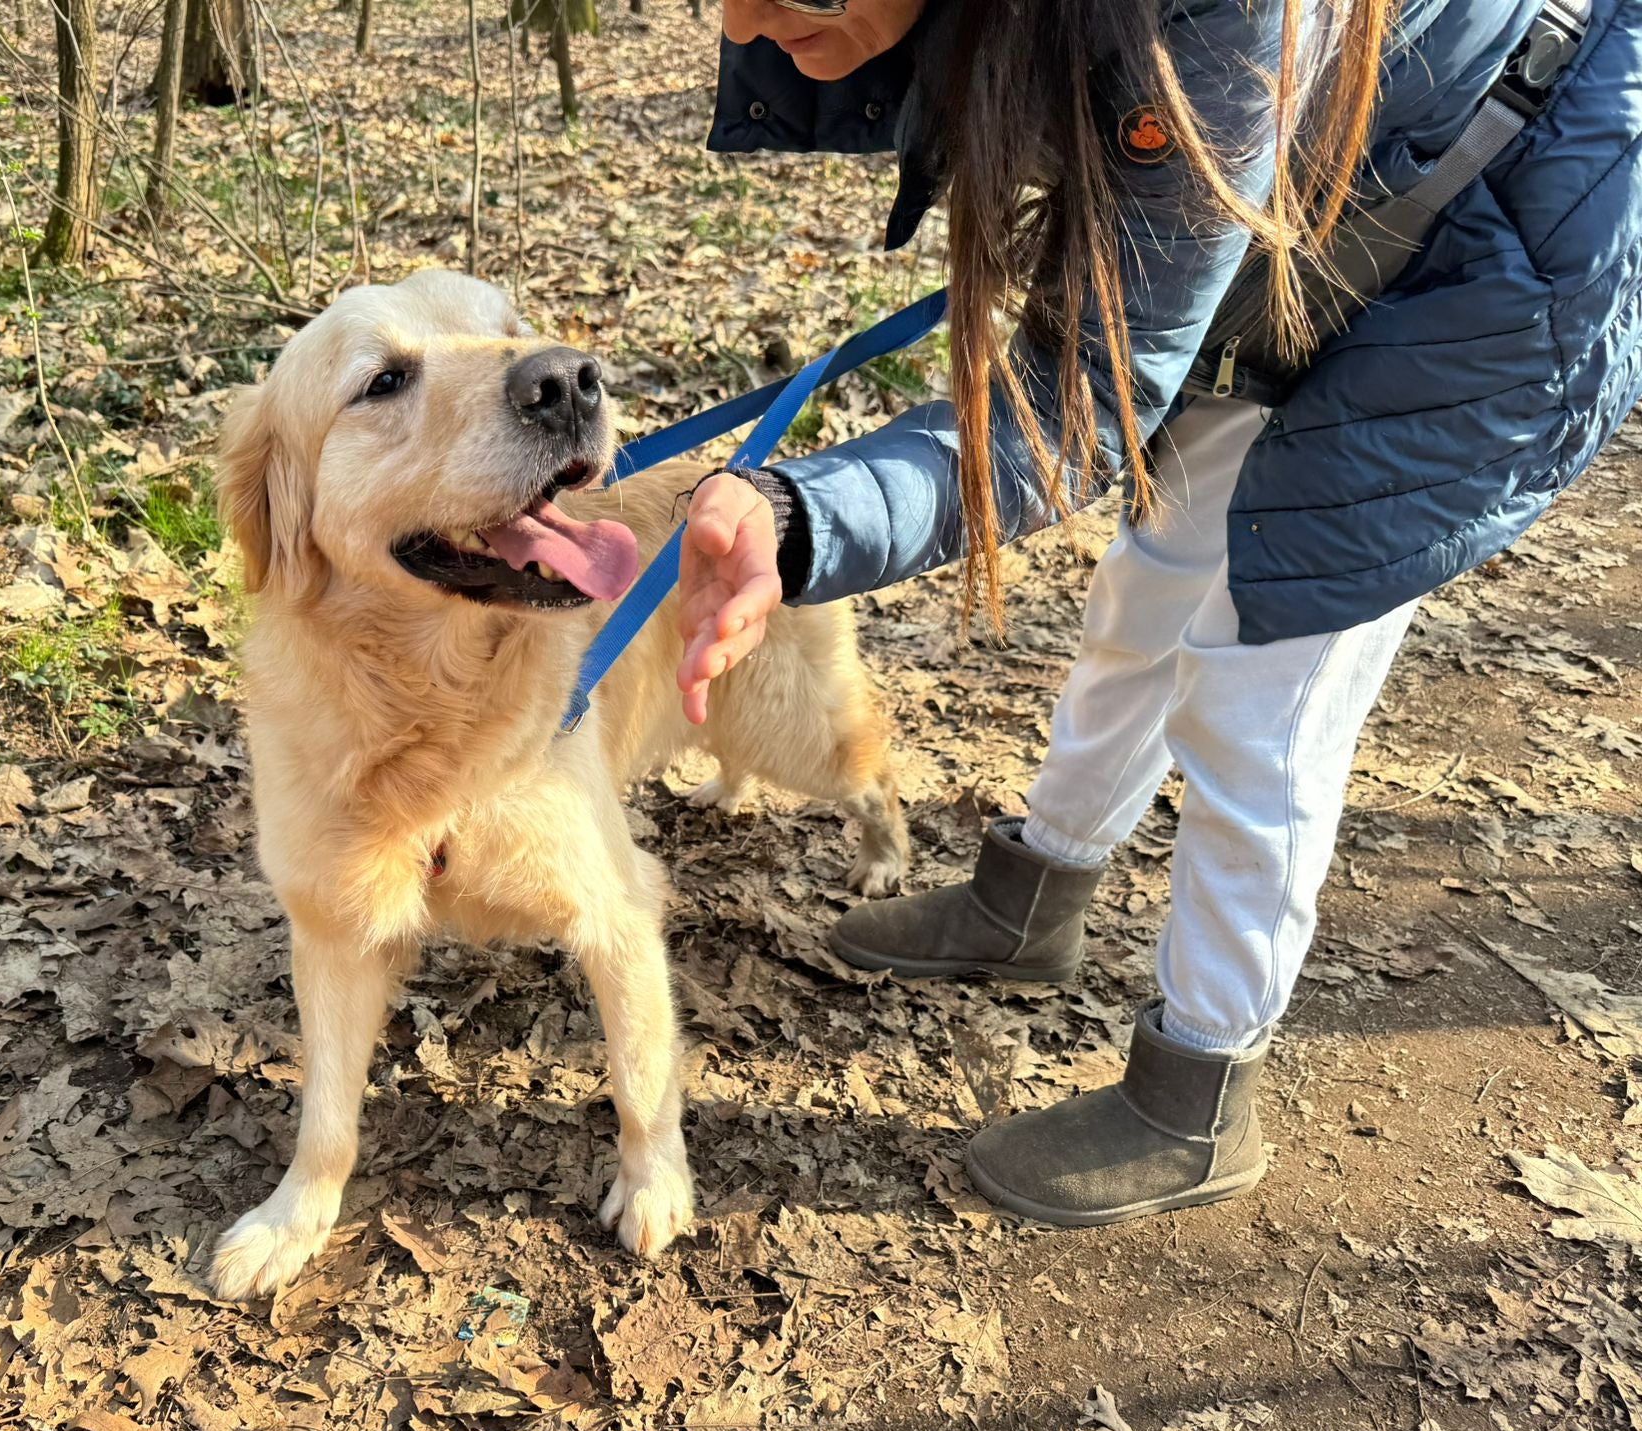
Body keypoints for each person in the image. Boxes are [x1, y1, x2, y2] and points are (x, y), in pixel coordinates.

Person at [677, 0, 1638, 1226]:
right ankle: (1027, 905)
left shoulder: (1211, 20)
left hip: (1513, 245)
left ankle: (1197, 1096)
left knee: (1262, 682)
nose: (740, 20)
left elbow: (1078, 398)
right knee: (1149, 579)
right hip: (1347, 194)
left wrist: (800, 519)